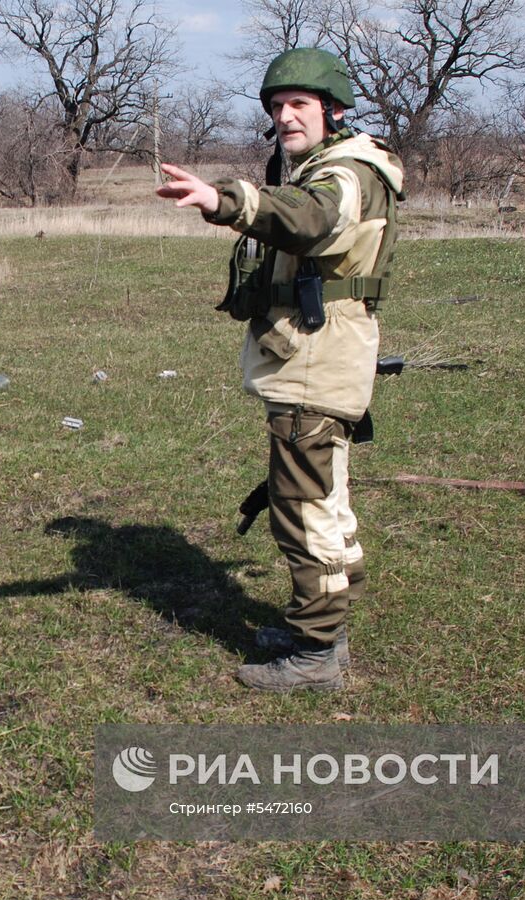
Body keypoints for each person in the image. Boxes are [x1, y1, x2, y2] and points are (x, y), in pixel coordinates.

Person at [154, 48, 404, 691]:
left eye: (300, 104)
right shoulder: (327, 166)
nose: (285, 115)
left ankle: (318, 652)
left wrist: (225, 199)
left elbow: (312, 221)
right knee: (324, 501)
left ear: (334, 110)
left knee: (304, 509)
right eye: (277, 105)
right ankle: (320, 632)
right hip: (313, 358)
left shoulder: (346, 173)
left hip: (317, 364)